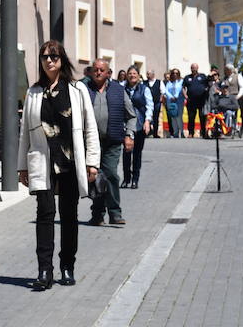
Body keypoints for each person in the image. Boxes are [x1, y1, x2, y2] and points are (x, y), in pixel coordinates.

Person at [17, 41, 100, 290]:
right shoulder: (33, 92)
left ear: (62, 59)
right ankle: (45, 270)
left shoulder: (76, 90)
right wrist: (22, 166)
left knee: (69, 216)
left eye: (53, 56)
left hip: (70, 162)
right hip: (42, 162)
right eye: (44, 57)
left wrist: (91, 161)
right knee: (44, 215)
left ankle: (67, 266)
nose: (49, 61)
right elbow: (25, 134)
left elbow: (90, 128)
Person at [83, 59, 136, 226]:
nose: (98, 72)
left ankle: (115, 213)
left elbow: (131, 116)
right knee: (95, 177)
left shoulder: (119, 91)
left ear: (108, 73)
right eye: (95, 69)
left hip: (112, 141)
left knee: (111, 174)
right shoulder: (83, 90)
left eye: (101, 70)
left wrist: (129, 135)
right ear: (91, 72)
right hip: (91, 143)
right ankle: (97, 214)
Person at [121, 67, 152, 189]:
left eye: (134, 73)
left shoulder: (144, 89)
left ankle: (135, 179)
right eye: (130, 73)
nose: (132, 75)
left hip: (139, 124)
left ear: (139, 76)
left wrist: (147, 121)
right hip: (125, 124)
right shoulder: (122, 88)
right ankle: (126, 178)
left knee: (137, 153)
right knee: (126, 152)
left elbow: (150, 106)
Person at [182, 63, 209, 138]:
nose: (194, 69)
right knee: (191, 117)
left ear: (198, 68)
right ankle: (191, 133)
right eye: (192, 68)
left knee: (202, 117)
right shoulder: (187, 77)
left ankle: (204, 133)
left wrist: (205, 91)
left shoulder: (203, 76)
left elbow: (208, 84)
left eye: (195, 68)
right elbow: (183, 87)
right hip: (191, 101)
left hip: (201, 100)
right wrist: (185, 95)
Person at [219, 64, 243, 138]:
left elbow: (242, 87)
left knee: (235, 115)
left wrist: (238, 96)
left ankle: (233, 129)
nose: (225, 71)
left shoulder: (238, 76)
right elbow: (222, 88)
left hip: (235, 98)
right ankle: (226, 129)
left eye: (226, 70)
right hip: (225, 98)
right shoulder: (224, 78)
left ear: (230, 70)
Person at [164, 68, 184, 138]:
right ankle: (175, 132)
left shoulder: (181, 81)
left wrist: (175, 96)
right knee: (173, 117)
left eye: (176, 73)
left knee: (179, 117)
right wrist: (170, 97)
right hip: (171, 101)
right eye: (173, 73)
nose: (175, 74)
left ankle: (181, 132)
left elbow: (181, 89)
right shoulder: (169, 82)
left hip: (179, 101)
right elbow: (166, 90)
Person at [145, 70, 163, 138]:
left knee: (156, 118)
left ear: (153, 74)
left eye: (148, 74)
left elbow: (162, 91)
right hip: (147, 103)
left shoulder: (159, 82)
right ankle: (148, 132)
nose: (147, 75)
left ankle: (155, 133)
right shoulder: (144, 82)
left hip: (156, 103)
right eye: (147, 74)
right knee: (147, 117)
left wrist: (160, 99)